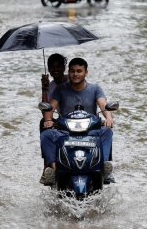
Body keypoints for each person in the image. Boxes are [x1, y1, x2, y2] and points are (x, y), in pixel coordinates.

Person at [40, 57, 114, 184]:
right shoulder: (60, 89)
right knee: (46, 135)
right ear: (68, 73)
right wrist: (48, 120)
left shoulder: (95, 88)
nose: (75, 74)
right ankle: (54, 170)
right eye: (72, 71)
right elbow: (51, 106)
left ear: (86, 72)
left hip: (90, 131)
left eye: (79, 71)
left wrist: (109, 118)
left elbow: (103, 104)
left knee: (107, 131)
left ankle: (103, 167)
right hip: (66, 132)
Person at [39, 53, 68, 184]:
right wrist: (44, 88)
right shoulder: (51, 86)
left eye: (58, 66)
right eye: (52, 66)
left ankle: (105, 167)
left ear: (64, 67)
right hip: (62, 120)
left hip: (80, 119)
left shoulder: (74, 80)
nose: (55, 69)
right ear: (48, 69)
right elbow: (46, 111)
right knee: (43, 124)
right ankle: (48, 167)